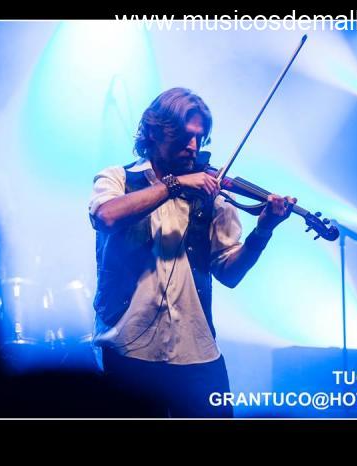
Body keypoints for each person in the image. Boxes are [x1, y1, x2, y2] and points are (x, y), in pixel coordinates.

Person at [88, 87, 296, 418]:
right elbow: (106, 217)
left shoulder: (212, 194)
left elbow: (229, 273)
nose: (194, 147)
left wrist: (263, 231)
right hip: (127, 349)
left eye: (200, 138)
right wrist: (175, 185)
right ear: (154, 132)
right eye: (185, 136)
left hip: (196, 351)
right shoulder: (118, 178)